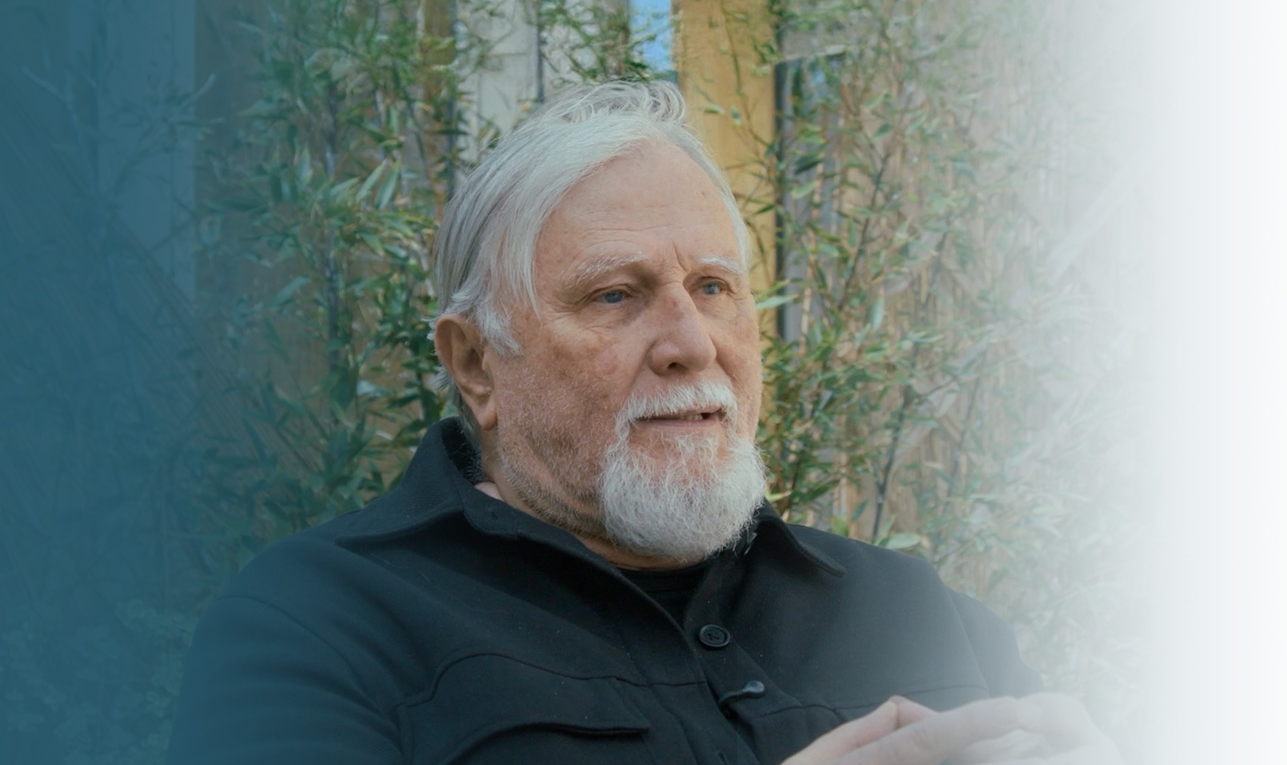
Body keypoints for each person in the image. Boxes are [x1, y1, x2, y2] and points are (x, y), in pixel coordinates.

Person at [167, 81, 1120, 765]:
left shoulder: (913, 607)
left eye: (713, 287)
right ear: (476, 364)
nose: (690, 343)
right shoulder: (320, 626)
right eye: (616, 295)